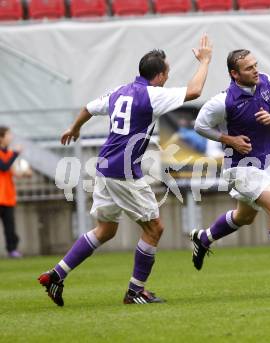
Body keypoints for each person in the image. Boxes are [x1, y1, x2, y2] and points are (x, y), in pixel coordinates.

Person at [38, 35, 213, 306]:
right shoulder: (153, 95)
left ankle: (56, 275)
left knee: (105, 230)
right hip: (124, 172)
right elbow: (194, 91)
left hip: (105, 166)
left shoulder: (120, 91)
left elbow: (87, 108)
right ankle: (135, 291)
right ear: (159, 75)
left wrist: (74, 128)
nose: (168, 77)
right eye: (167, 72)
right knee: (154, 228)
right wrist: (205, 61)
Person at [191, 49, 270, 289]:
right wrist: (229, 140)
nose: (255, 70)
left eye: (255, 65)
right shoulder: (223, 101)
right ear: (234, 74)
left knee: (244, 217)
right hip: (240, 168)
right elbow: (199, 125)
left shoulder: (266, 81)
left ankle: (204, 238)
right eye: (249, 68)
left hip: (263, 165)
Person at [0, 127, 31, 258]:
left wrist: (25, 173)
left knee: (10, 227)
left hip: (7, 196)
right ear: (1, 137)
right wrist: (16, 153)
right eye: (8, 134)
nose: (11, 137)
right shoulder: (10, 154)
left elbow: (12, 172)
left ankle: (12, 250)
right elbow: (4, 166)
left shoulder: (9, 153)